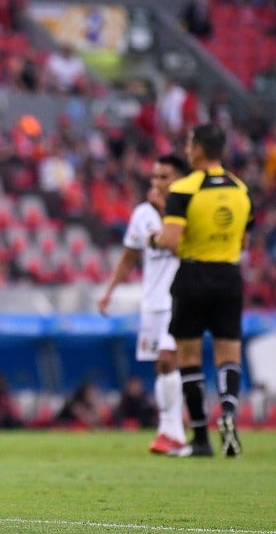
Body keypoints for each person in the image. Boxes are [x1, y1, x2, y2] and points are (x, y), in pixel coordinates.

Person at [152, 123, 254, 457]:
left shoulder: (184, 189)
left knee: (189, 358)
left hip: (194, 276)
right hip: (229, 276)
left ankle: (199, 439)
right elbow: (243, 239)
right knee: (228, 354)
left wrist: (152, 238)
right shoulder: (241, 189)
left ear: (197, 149)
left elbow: (170, 240)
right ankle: (227, 411)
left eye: (188, 143)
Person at [98, 154, 191, 454]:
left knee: (168, 358)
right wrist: (109, 292)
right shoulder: (141, 214)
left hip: (180, 297)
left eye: (164, 177)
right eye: (155, 177)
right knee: (161, 366)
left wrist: (165, 210)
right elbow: (129, 257)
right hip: (152, 301)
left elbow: (180, 245)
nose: (157, 183)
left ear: (179, 179)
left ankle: (175, 432)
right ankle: (169, 430)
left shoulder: (191, 208)